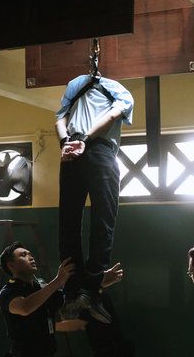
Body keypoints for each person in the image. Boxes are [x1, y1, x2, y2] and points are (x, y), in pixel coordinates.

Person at [54, 69, 134, 324]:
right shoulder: (80, 85)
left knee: (75, 220)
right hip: (89, 149)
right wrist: (76, 141)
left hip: (80, 149)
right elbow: (106, 117)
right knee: (97, 218)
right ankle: (83, 290)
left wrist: (71, 142)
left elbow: (61, 120)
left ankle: (78, 290)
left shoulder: (108, 88)